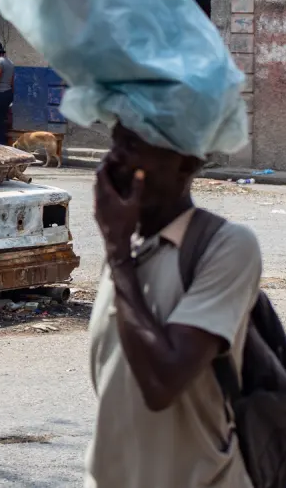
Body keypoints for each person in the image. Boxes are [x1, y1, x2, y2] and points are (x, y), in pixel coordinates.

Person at [86, 122, 262, 488]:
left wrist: (118, 255)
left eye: (133, 145)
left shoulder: (227, 247)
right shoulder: (126, 248)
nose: (114, 158)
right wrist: (119, 252)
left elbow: (160, 383)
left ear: (186, 161)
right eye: (115, 142)